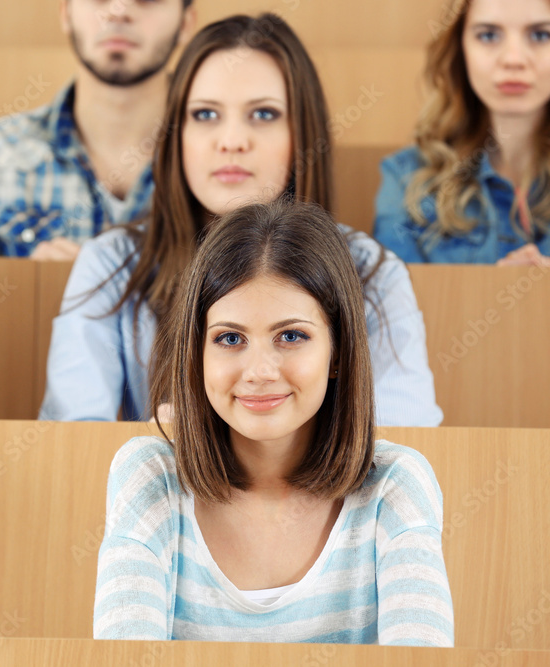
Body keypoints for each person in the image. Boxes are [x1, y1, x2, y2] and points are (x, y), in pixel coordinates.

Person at [40, 15, 443, 426]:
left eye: (264, 115)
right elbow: (74, 443)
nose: (231, 140)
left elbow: (404, 449)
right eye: (205, 115)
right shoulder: (109, 264)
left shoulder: (372, 273)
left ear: (303, 131)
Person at [93, 199, 454, 645]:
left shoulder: (396, 486)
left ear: (337, 352)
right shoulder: (150, 476)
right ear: (197, 353)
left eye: (291, 336)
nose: (259, 371)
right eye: (229, 338)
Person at [0, 0, 196, 259]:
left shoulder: (222, 155)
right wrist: (33, 284)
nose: (119, 12)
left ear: (185, 22)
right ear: (66, 13)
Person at [374, 0, 550, 264]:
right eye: (488, 35)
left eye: (540, 35)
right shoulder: (405, 176)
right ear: (461, 48)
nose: (513, 59)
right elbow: (388, 301)